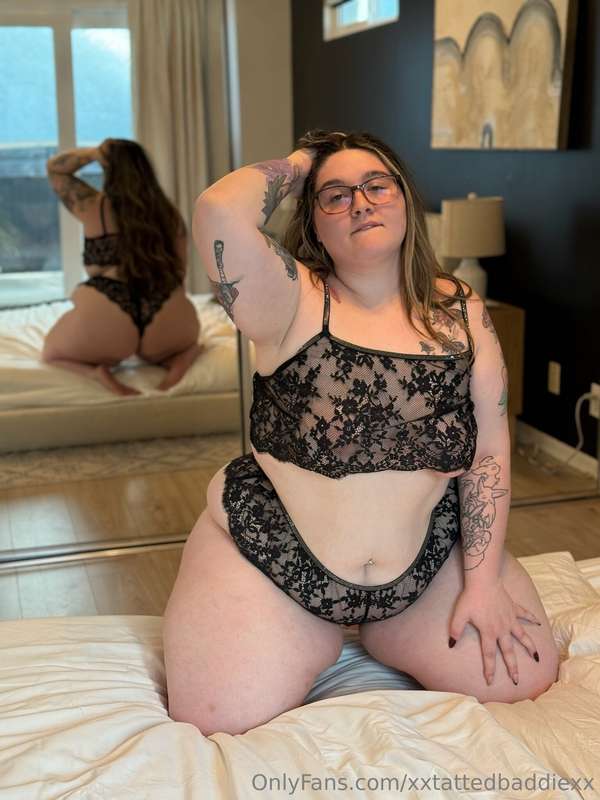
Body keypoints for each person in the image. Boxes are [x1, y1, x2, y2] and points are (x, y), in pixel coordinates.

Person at [163, 130, 559, 736]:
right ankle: (305, 626)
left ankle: (387, 627)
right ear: (314, 223)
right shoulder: (287, 300)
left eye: (377, 186)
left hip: (422, 564)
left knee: (525, 679)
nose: (360, 203)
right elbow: (219, 208)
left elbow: (489, 450)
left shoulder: (460, 309)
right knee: (217, 717)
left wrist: (482, 586)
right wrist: (304, 162)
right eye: (336, 195)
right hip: (277, 552)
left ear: (406, 200)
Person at [43, 138, 200, 395]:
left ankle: (96, 373)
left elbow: (55, 168)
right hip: (166, 311)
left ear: (109, 169)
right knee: (189, 345)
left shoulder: (93, 205)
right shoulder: (169, 215)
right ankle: (179, 360)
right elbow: (180, 273)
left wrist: (95, 153)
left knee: (51, 353)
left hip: (109, 309)